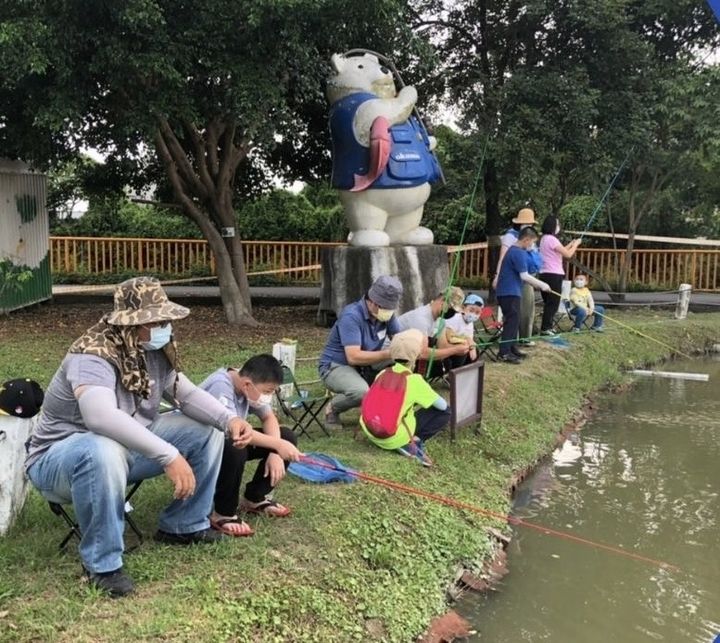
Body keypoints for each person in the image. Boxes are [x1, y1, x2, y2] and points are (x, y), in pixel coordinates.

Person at [24, 277, 255, 598]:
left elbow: (184, 394)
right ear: (133, 323)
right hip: (59, 460)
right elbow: (99, 417)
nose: (167, 327)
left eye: (167, 319)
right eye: (158, 321)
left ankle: (183, 526)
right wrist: (168, 455)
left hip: (124, 449)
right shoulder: (91, 354)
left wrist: (228, 418)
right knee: (99, 448)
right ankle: (102, 564)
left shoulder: (153, 347)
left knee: (204, 428)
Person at [199, 355, 302, 537]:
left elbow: (269, 418)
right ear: (247, 384)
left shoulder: (247, 384)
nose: (268, 397)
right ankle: (223, 512)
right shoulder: (220, 386)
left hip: (229, 440)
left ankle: (254, 498)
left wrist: (275, 452)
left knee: (287, 435)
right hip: (202, 447)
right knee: (235, 446)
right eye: (268, 391)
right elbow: (235, 432)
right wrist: (277, 445)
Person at [319, 275, 403, 428]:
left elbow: (399, 340)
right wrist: (389, 354)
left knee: (403, 358)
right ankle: (332, 408)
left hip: (366, 363)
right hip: (336, 365)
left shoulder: (385, 313)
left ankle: (383, 405)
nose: (389, 312)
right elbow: (353, 357)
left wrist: (408, 349)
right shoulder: (351, 316)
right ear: (374, 303)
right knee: (361, 392)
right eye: (387, 308)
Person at [359, 329, 450, 467]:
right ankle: (412, 442)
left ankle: (396, 438)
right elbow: (442, 405)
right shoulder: (414, 380)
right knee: (446, 411)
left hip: (370, 430)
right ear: (418, 353)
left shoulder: (383, 372)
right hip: (393, 436)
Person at [495, 227, 551, 363]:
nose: (532, 246)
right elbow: (524, 275)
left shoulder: (516, 251)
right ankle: (504, 352)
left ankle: (512, 348)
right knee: (512, 320)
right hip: (508, 292)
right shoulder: (517, 253)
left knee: (515, 319)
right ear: (526, 240)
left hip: (512, 291)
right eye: (532, 242)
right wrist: (543, 285)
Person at [493, 208, 542, 345]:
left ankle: (522, 339)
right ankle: (509, 346)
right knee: (513, 315)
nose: (528, 225)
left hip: (525, 278)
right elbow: (503, 258)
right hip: (513, 283)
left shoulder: (527, 241)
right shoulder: (514, 242)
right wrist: (497, 275)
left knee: (525, 309)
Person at [396, 286, 470, 377]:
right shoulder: (421, 319)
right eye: (452, 309)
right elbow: (422, 353)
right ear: (442, 300)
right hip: (396, 359)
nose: (452, 313)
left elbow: (443, 346)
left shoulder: (439, 320)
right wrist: (454, 350)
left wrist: (462, 347)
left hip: (412, 356)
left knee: (452, 360)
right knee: (443, 365)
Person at [538, 216, 582, 336]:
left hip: (544, 274)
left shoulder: (544, 239)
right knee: (553, 303)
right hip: (554, 275)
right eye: (557, 224)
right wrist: (576, 245)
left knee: (549, 302)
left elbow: (560, 251)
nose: (558, 227)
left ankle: (548, 326)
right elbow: (567, 254)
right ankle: (545, 328)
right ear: (552, 226)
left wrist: (570, 244)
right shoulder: (552, 239)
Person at [444, 293, 483, 365]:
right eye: (471, 310)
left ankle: (466, 371)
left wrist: (472, 346)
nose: (474, 314)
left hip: (461, 346)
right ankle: (454, 372)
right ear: (463, 308)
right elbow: (449, 337)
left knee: (475, 350)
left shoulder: (470, 323)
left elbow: (470, 338)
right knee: (463, 349)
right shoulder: (455, 318)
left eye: (477, 312)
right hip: (446, 348)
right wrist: (467, 343)